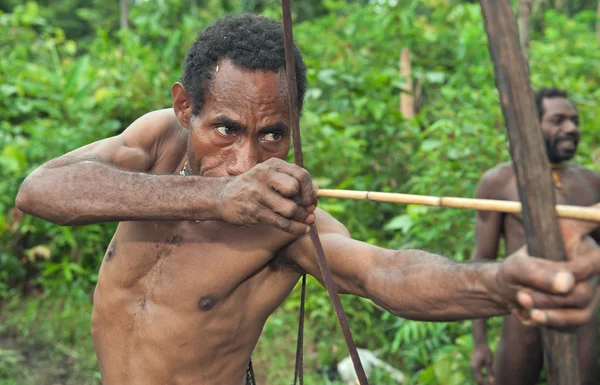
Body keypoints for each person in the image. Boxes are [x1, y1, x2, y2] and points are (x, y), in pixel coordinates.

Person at [15, 16, 600, 385]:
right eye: (225, 128)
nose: (249, 160)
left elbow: (384, 272)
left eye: (273, 133)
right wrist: (216, 195)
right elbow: (42, 189)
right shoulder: (158, 141)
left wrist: (501, 283)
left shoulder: (286, 222)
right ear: (184, 108)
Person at [470, 88, 600, 385]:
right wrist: (479, 342)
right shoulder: (500, 182)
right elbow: (482, 260)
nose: (571, 128)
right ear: (533, 125)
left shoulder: (591, 183)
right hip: (522, 312)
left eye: (574, 121)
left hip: (580, 317)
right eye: (558, 120)